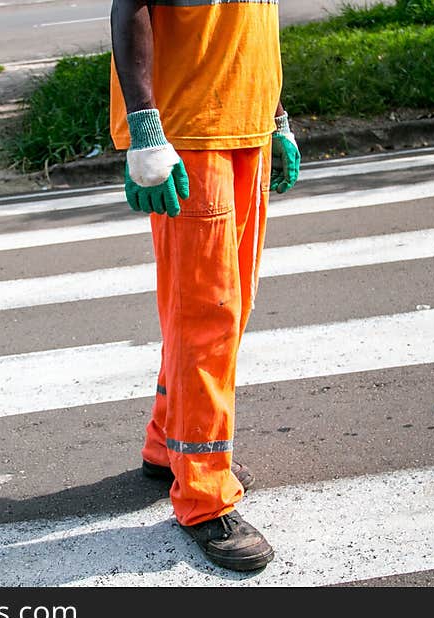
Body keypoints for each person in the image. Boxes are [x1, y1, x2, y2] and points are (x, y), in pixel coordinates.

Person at [109, 0, 300, 572]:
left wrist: (275, 116)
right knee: (207, 318)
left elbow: (250, 26)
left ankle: (170, 442)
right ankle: (204, 496)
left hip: (242, 127)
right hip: (191, 134)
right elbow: (131, 6)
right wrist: (145, 128)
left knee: (224, 309)